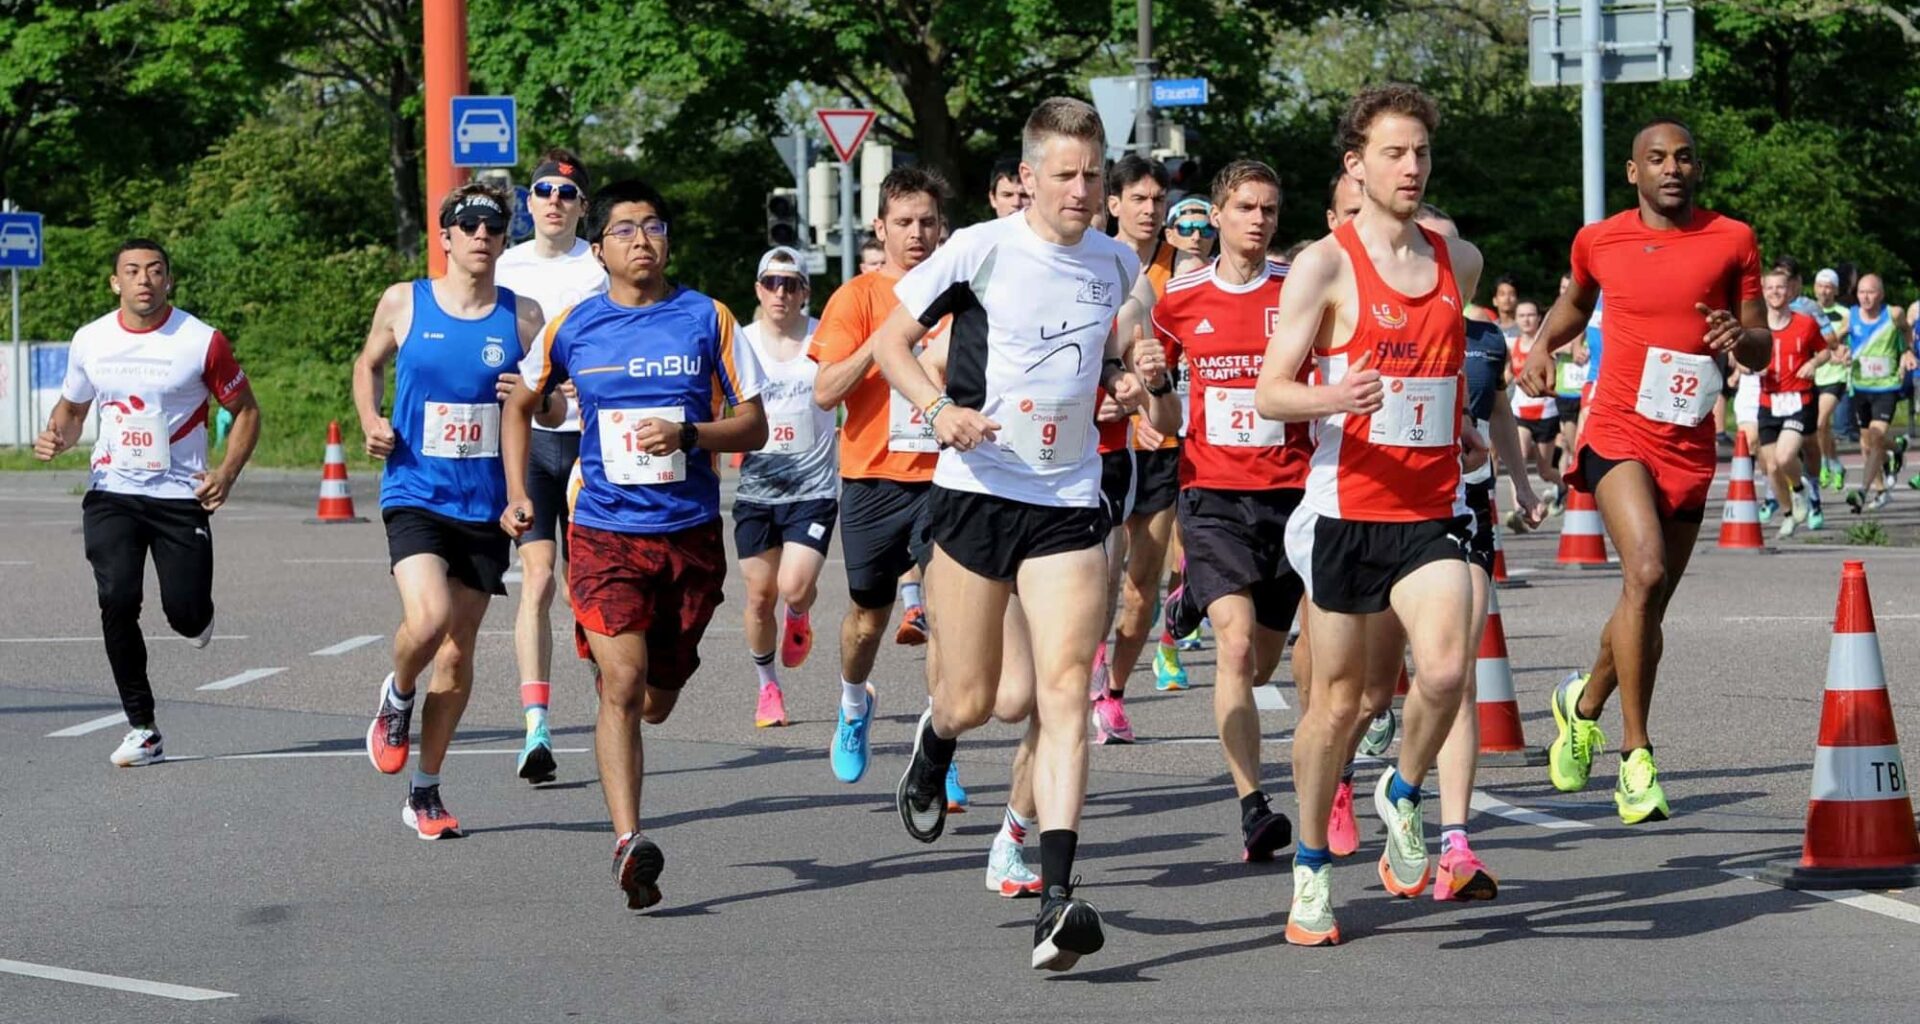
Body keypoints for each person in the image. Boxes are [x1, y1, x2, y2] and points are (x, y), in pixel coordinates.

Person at [878, 97, 1176, 971]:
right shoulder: (980, 248)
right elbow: (896, 343)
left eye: (1095, 174)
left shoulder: (1120, 263)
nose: (1084, 190)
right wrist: (941, 410)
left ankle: (1057, 897)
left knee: (1060, 694)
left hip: (1069, 498)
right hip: (975, 491)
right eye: (1068, 175)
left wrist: (1140, 370)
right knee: (980, 701)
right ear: (1030, 176)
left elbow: (1130, 353)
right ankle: (935, 745)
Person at [1255, 83, 1485, 946]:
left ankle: (1403, 788)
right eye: (1393, 153)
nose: (1412, 167)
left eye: (1421, 152)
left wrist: (1457, 425)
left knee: (1447, 668)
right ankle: (1311, 868)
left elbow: (1444, 371)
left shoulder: (1458, 262)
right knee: (1341, 706)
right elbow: (1272, 391)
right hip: (1346, 511)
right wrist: (1330, 395)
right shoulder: (1325, 262)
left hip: (1432, 508)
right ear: (1356, 165)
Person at [501, 177, 769, 908]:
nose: (642, 240)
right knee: (620, 685)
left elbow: (755, 425)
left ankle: (644, 691)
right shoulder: (574, 326)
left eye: (654, 226)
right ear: (600, 250)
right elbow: (521, 401)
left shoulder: (707, 319)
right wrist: (519, 493)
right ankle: (629, 841)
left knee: (657, 697)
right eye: (624, 230)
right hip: (603, 532)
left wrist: (692, 434)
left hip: (688, 537)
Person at [1518, 118, 1769, 826]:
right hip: (1618, 429)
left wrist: (1737, 339)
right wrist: (1541, 345)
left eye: (1684, 157)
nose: (1672, 168)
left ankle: (1583, 703)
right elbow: (1574, 301)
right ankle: (1636, 756)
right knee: (1647, 573)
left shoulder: (1734, 238)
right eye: (1656, 158)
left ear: (1699, 167)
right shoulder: (1600, 240)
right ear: (1633, 172)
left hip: (1689, 439)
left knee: (1645, 602)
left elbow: (1760, 348)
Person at [355, 183, 552, 838]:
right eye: (467, 224)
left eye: (493, 226)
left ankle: (426, 790)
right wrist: (370, 418)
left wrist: (529, 396)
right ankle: (397, 694)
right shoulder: (404, 301)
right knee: (430, 617)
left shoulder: (524, 317)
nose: (480, 234)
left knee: (459, 654)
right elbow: (367, 363)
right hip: (415, 488)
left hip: (485, 504)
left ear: (503, 239)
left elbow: (549, 407)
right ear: (445, 236)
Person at [34, 238, 262, 767]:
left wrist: (226, 472)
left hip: (181, 494)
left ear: (169, 281)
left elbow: (246, 411)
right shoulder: (90, 339)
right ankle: (142, 726)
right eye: (132, 271)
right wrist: (56, 437)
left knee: (184, 614)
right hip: (112, 491)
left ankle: (197, 615)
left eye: (155, 271)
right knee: (116, 599)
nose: (144, 280)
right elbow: (72, 409)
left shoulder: (201, 340)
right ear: (115, 282)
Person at [1148, 159, 1302, 860]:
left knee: (1263, 663)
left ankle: (1185, 603)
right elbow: (1166, 406)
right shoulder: (1177, 300)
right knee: (1235, 646)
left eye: (1268, 209)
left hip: (1291, 495)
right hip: (1211, 493)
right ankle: (1253, 805)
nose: (1258, 220)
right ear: (1216, 215)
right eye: (1245, 207)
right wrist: (1150, 389)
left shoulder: (1300, 291)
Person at [808, 167, 952, 790]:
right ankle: (852, 703)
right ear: (880, 227)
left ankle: (938, 748)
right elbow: (824, 392)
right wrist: (884, 343)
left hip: (949, 476)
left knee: (948, 616)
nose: (916, 234)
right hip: (872, 477)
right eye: (903, 223)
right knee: (869, 618)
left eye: (926, 222)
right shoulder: (857, 297)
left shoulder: (963, 290)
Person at [494, 149, 608, 784]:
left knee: (587, 588)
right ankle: (536, 727)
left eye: (567, 193)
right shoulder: (503, 266)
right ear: (528, 200)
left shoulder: (599, 266)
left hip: (592, 443)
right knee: (537, 580)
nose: (555, 201)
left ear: (583, 207)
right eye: (544, 190)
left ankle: (608, 707)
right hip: (530, 443)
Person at [1088, 154, 1171, 741]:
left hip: (1164, 441)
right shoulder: (1092, 263)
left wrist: (1146, 397)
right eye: (1138, 199)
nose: (1150, 210)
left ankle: (1115, 689)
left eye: (1158, 201)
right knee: (1101, 574)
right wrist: (1117, 397)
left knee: (1145, 584)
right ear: (1113, 204)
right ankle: (1086, 669)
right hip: (1102, 446)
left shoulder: (1184, 273)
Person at [732, 246, 833, 728]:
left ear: (804, 293)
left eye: (791, 284)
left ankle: (800, 614)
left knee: (793, 587)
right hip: (756, 491)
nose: (780, 292)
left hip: (813, 489)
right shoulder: (741, 342)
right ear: (758, 289)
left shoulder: (824, 339)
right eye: (771, 282)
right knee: (758, 598)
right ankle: (767, 687)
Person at [1757, 268, 1828, 538]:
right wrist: (1751, 366)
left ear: (1790, 291)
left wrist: (1812, 363)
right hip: (1768, 402)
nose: (1775, 292)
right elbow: (1739, 358)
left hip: (1799, 399)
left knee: (1785, 456)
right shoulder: (1757, 327)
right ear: (1763, 292)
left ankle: (1800, 488)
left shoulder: (1805, 323)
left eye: (1780, 287)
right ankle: (1789, 511)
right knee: (1771, 466)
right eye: (1770, 288)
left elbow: (1824, 351)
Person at [1841, 274, 1914, 513]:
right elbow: (1834, 341)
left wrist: (1908, 352)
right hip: (1860, 387)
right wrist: (1839, 351)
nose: (1865, 297)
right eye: (1861, 292)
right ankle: (1892, 464)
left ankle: (1862, 491)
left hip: (1887, 387)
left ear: (1880, 294)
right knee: (1868, 444)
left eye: (1870, 292)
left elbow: (1906, 331)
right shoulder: (1851, 315)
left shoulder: (1893, 314)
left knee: (1875, 437)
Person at [1507, 299, 1563, 503]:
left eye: (1531, 315)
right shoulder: (1510, 345)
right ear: (1515, 320)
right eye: (1521, 316)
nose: (1526, 320)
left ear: (1539, 318)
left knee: (1545, 471)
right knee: (1518, 458)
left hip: (1546, 413)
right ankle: (1518, 510)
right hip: (1520, 412)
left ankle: (1564, 488)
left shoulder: (1550, 346)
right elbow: (1506, 376)